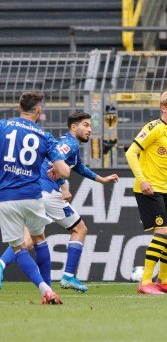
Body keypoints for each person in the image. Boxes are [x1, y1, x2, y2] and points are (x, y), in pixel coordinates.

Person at [0, 111, 119, 292]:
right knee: (80, 229)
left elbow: (78, 166)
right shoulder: (68, 143)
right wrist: (60, 181)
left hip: (40, 192)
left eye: (90, 126)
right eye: (85, 125)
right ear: (73, 127)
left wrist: (100, 179)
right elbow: (53, 160)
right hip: (48, 193)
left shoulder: (70, 145)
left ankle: (1, 264)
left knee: (29, 240)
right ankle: (68, 276)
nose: (89, 130)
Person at [0, 91, 71, 304]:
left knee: (19, 247)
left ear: (18, 108)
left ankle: (45, 291)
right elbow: (65, 171)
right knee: (39, 238)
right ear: (38, 110)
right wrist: (56, 168)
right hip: (32, 195)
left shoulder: (3, 126)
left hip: (6, 197)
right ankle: (49, 289)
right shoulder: (44, 136)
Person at [125, 90, 167, 295]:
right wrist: (142, 180)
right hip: (148, 189)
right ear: (163, 108)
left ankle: (163, 281)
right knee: (161, 232)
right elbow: (131, 153)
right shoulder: (153, 128)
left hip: (162, 189)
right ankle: (145, 282)